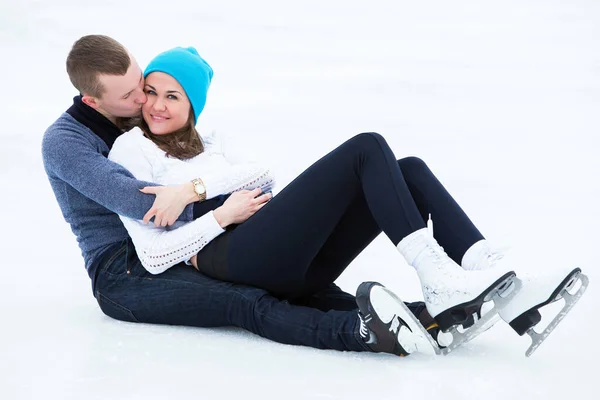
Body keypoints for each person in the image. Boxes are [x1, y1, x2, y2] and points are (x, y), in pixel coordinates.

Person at [108, 44, 589, 357]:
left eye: (172, 96)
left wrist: (192, 191)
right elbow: (152, 255)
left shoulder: (213, 144)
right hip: (227, 258)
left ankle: (498, 285)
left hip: (282, 258)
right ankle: (440, 278)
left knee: (410, 170)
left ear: (193, 105)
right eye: (150, 91)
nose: (155, 105)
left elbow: (263, 175)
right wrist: (222, 215)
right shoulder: (132, 149)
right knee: (366, 147)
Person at [42, 34, 443, 358]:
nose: (145, 101)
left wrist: (226, 198)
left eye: (141, 84)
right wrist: (229, 209)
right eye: (132, 95)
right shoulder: (65, 142)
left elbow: (202, 180)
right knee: (245, 300)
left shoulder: (134, 112)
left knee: (300, 286)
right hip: (124, 272)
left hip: (181, 241)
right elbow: (146, 204)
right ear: (92, 100)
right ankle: (360, 333)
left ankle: (421, 317)